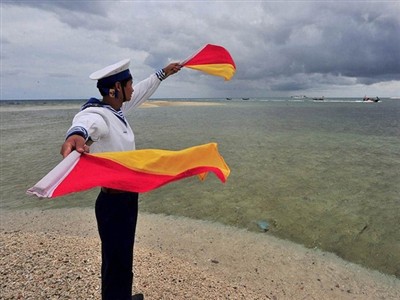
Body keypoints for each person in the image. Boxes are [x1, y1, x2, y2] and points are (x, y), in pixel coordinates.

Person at [60, 59, 182, 300]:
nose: (134, 89)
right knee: (115, 261)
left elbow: (144, 89)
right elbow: (86, 123)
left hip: (125, 199)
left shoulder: (117, 110)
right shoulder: (99, 115)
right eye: (130, 84)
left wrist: (163, 73)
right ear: (117, 87)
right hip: (114, 204)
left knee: (123, 257)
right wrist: (76, 135)